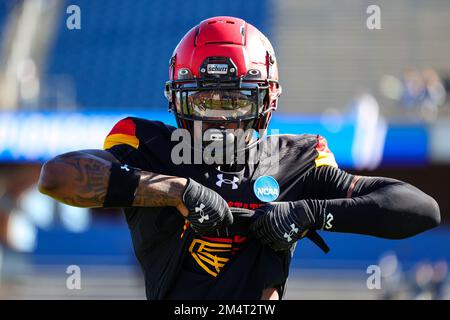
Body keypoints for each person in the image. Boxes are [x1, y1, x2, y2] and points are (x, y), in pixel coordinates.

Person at [37, 16, 440, 300]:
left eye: (233, 100)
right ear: (178, 99)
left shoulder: (297, 159)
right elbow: (55, 177)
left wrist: (309, 212)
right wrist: (176, 190)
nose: (217, 117)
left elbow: (420, 208)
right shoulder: (150, 147)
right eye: (204, 100)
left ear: (266, 100)